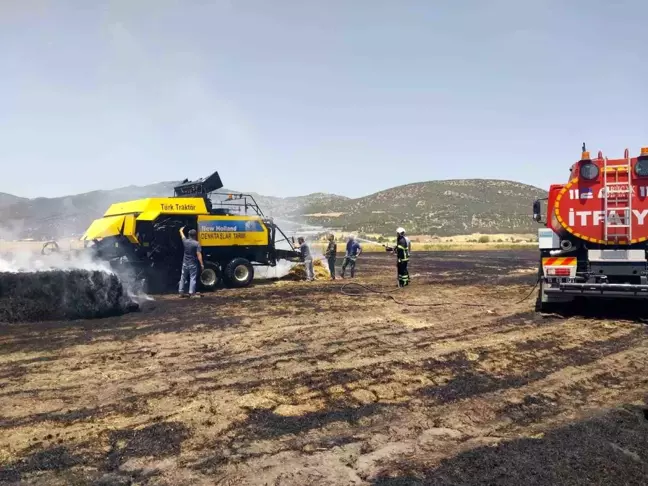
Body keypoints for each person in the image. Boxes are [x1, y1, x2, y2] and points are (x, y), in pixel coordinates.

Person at [178, 226, 204, 297]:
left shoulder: (185, 242)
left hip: (185, 263)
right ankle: (191, 293)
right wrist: (202, 264)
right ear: (195, 235)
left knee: (183, 277)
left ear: (189, 235)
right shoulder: (196, 244)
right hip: (193, 264)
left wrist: (181, 230)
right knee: (192, 278)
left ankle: (181, 292)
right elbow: (199, 255)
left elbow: (182, 236)